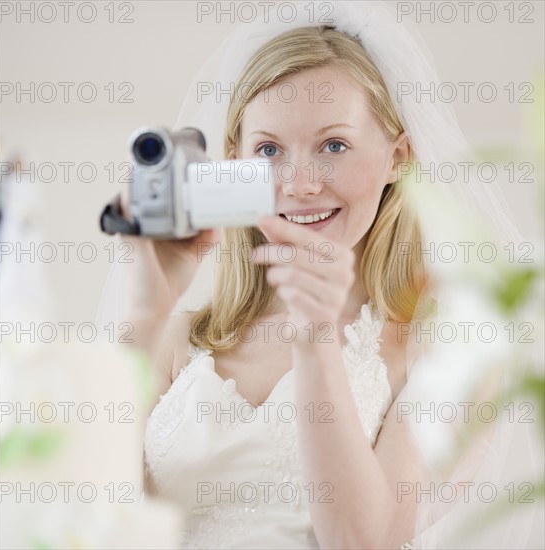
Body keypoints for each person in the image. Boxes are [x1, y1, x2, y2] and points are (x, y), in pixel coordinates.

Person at [98, 2, 539, 549]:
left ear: (398, 156)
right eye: (269, 150)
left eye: (333, 145)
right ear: (235, 161)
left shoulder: (451, 351)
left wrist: (317, 339)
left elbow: (364, 541)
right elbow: (79, 517)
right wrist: (143, 319)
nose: (300, 183)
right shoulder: (179, 341)